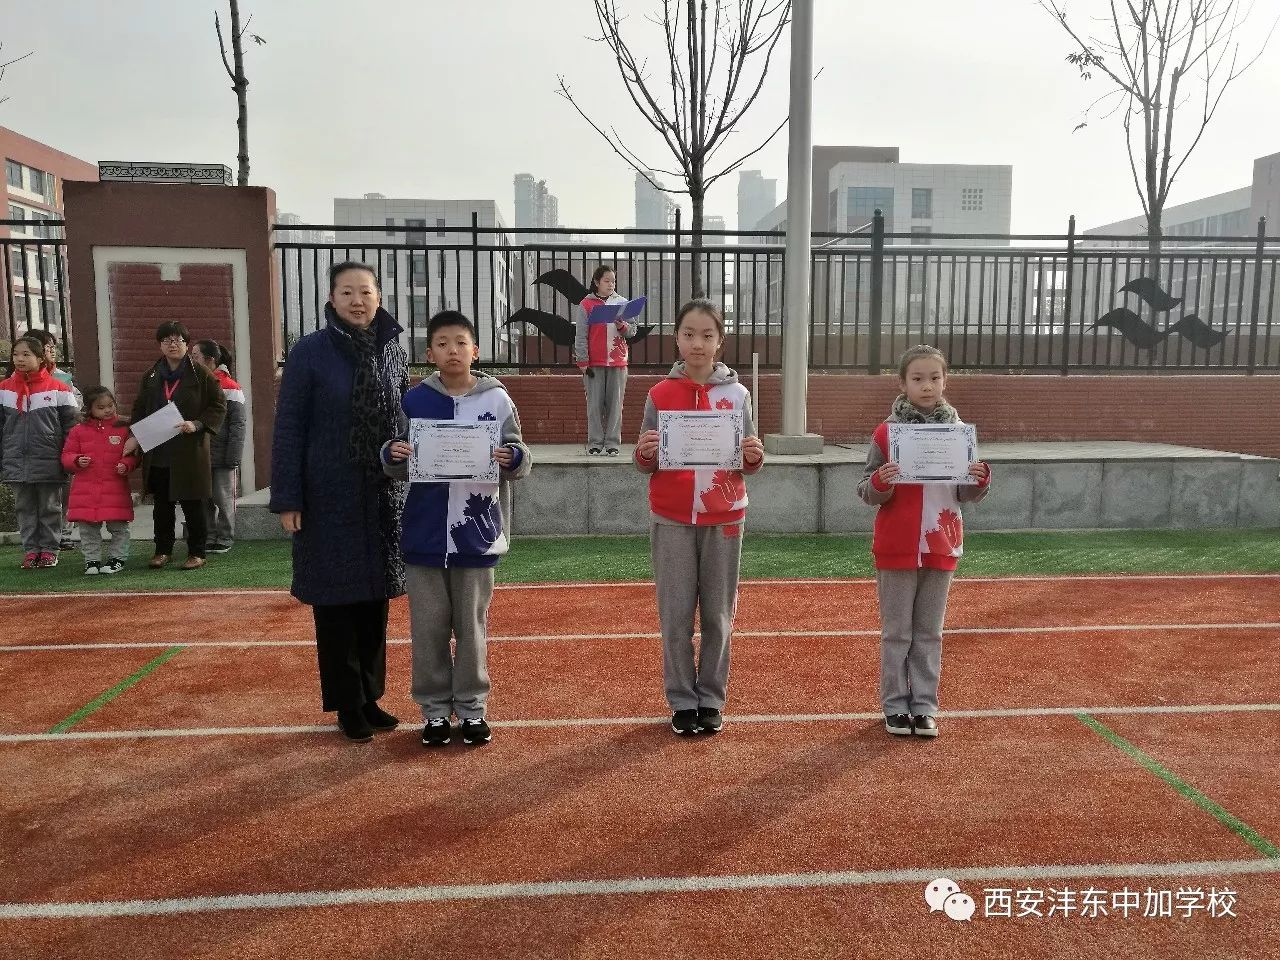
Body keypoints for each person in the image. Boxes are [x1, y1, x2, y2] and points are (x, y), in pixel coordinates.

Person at [270, 262, 409, 744]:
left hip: (378, 493)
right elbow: (288, 427)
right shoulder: (309, 351)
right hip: (326, 493)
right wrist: (287, 497)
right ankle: (346, 703)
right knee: (335, 602)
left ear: (378, 296)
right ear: (331, 299)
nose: (357, 300)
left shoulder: (393, 347)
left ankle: (370, 696)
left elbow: (400, 417)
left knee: (373, 600)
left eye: (365, 292)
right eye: (347, 292)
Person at [382, 310, 532, 748]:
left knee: (472, 627)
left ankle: (471, 709)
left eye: (461, 342)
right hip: (424, 534)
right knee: (428, 629)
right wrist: (391, 454)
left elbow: (520, 452)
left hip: (476, 534)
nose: (453, 350)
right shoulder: (414, 401)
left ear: (476, 350)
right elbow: (394, 462)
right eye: (443, 343)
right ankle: (432, 711)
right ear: (429, 353)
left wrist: (515, 458)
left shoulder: (498, 400)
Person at [634, 299, 765, 736]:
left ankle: (711, 697)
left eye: (708, 335)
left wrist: (753, 458)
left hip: (724, 516)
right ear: (676, 338)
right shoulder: (659, 394)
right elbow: (644, 459)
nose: (697, 343)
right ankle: (681, 700)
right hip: (671, 517)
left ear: (720, 342)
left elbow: (747, 457)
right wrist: (645, 454)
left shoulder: (738, 394)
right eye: (689, 333)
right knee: (675, 615)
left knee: (718, 616)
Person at [857, 344, 992, 739]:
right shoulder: (886, 433)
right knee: (897, 631)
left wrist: (979, 480)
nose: (927, 386)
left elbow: (965, 493)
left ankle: (925, 705)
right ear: (902, 384)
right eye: (917, 378)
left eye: (935, 377)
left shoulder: (959, 433)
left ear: (945, 381)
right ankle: (896, 705)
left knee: (930, 630)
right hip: (896, 545)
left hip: (941, 542)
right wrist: (882, 481)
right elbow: (866, 489)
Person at [123, 321, 226, 571]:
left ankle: (197, 551)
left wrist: (198, 424)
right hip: (159, 449)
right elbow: (139, 408)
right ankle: (162, 550)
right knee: (162, 504)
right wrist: (134, 435)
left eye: (178, 339)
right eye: (167, 340)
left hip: (189, 448)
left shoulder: (201, 374)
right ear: (160, 345)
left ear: (186, 344)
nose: (173, 344)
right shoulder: (151, 375)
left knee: (193, 502)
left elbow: (218, 405)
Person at [0, 335, 79, 568]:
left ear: (40, 358)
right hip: (16, 460)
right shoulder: (4, 390)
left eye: (26, 354)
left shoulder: (59, 389)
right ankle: (31, 549)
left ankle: (49, 549)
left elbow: (71, 427)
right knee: (24, 507)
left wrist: (68, 456)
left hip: (49, 461)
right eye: (16, 354)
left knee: (49, 507)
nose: (20, 359)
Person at [61, 387, 137, 574]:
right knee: (88, 530)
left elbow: (134, 456)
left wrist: (126, 465)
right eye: (101, 407)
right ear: (90, 409)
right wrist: (77, 460)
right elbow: (66, 456)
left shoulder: (124, 427)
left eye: (110, 405)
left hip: (115, 488)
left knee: (119, 527)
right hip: (85, 490)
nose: (108, 410)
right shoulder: (78, 431)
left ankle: (117, 559)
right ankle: (91, 561)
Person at [26, 328, 80, 550]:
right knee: (32, 499)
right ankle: (34, 541)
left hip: (59, 445)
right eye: (47, 347)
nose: (52, 351)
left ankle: (62, 533)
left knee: (62, 492)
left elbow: (75, 413)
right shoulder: (16, 381)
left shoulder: (63, 380)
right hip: (32, 449)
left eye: (53, 347)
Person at [191, 339, 245, 554]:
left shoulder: (230, 387)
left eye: (195, 355)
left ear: (210, 360)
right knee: (203, 498)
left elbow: (238, 424)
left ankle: (224, 537)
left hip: (222, 454)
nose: (191, 359)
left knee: (223, 499)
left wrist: (234, 456)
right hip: (199, 452)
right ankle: (209, 536)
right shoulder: (195, 383)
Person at [575, 264, 632, 456]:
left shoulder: (623, 303)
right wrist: (583, 361)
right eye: (607, 281)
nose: (611, 284)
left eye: (613, 281)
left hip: (618, 361)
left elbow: (633, 331)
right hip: (594, 363)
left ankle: (613, 443)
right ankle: (595, 443)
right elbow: (580, 335)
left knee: (616, 405)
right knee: (594, 405)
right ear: (597, 282)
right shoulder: (586, 304)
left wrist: (623, 326)